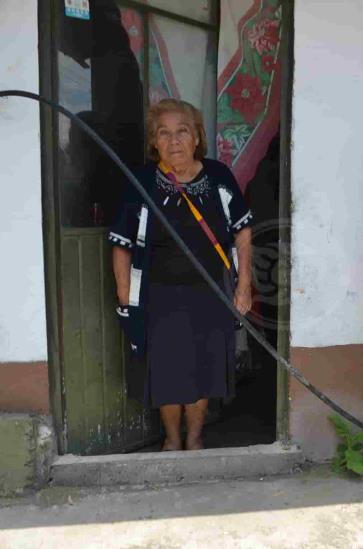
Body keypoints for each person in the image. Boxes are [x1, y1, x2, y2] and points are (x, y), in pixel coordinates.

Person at [109, 99, 253, 451]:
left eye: (182, 131)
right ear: (154, 142)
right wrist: (125, 296)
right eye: (164, 133)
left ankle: (195, 437)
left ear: (197, 137)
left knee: (204, 370)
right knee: (168, 372)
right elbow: (121, 244)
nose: (174, 141)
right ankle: (173, 439)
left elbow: (242, 232)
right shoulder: (142, 182)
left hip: (211, 295)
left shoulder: (218, 176)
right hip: (160, 297)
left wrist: (244, 284)